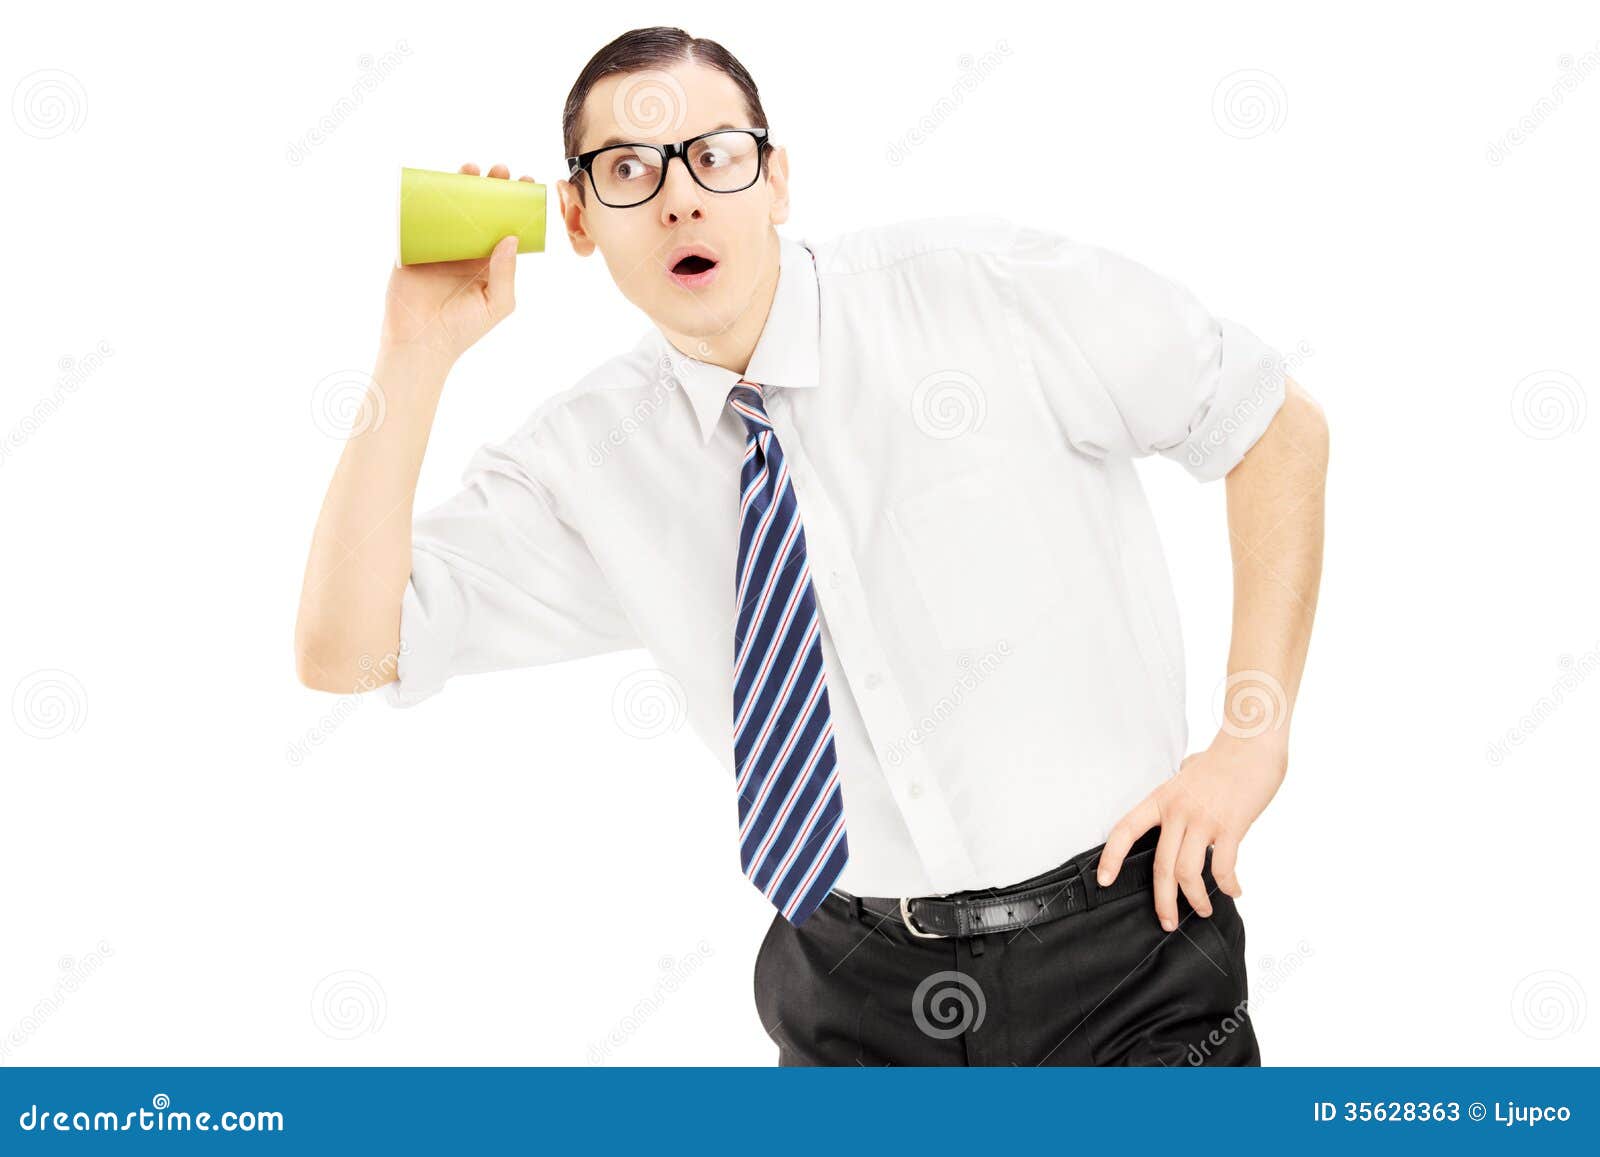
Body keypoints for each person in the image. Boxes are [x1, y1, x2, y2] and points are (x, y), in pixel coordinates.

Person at [293, 25, 1328, 1066]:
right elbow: (348, 650)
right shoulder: (587, 464)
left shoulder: (978, 288)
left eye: (717, 155)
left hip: (1123, 951)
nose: (679, 197)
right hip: (850, 996)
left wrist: (1251, 739)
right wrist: (413, 355)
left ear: (775, 179)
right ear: (576, 218)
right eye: (626, 170)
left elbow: (1269, 422)